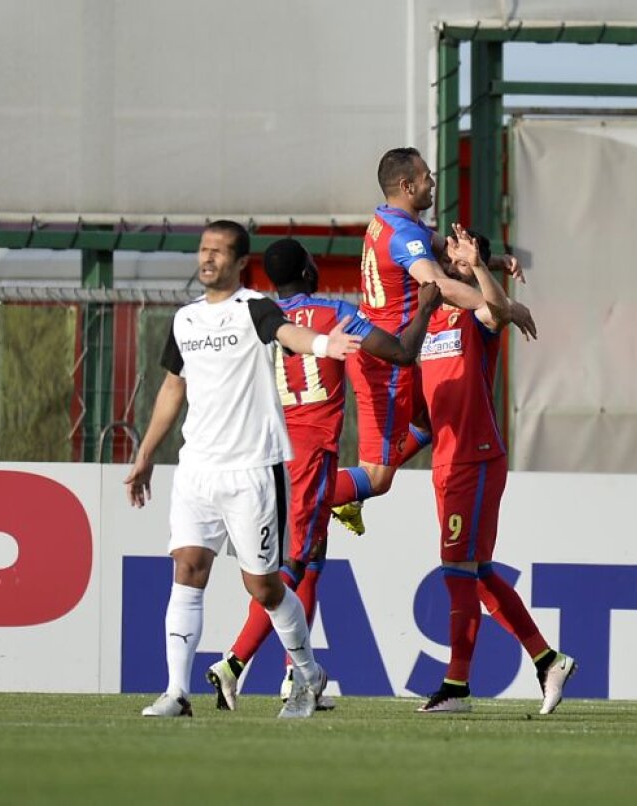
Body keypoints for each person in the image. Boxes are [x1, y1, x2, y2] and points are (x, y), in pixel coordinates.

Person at [124, 221, 363, 720]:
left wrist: (323, 346)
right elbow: (173, 389)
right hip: (197, 469)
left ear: (239, 263)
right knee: (187, 568)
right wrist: (146, 454)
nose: (207, 258)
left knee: (265, 587)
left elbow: (287, 333)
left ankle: (308, 673)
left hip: (252, 470)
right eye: (204, 249)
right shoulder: (185, 320)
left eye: (219, 252)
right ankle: (176, 692)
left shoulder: (254, 308)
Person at [204, 237, 442, 710]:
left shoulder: (263, 320)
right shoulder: (333, 312)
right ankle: (232, 662)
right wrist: (426, 309)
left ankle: (295, 678)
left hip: (268, 455)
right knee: (291, 570)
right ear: (309, 269)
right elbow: (398, 353)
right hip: (310, 456)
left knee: (311, 563)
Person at [329, 146, 535, 536]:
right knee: (377, 478)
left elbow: (446, 251)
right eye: (427, 178)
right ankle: (300, 495)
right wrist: (506, 306)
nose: (433, 183)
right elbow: (437, 282)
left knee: (430, 422)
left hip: (388, 348)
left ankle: (331, 495)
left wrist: (496, 260)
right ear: (407, 186)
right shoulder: (405, 233)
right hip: (385, 361)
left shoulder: (389, 218)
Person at [415, 224, 575, 715]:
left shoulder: (475, 317)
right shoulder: (427, 319)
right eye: (454, 256)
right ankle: (548, 659)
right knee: (477, 572)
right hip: (445, 458)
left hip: (476, 457)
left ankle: (458, 687)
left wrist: (485, 264)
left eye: (466, 257)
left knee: (457, 570)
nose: (457, 262)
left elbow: (499, 310)